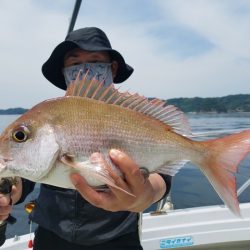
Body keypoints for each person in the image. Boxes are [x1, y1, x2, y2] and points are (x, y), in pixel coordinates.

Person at [0, 27, 172, 250]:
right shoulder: (44, 118)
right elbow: (27, 174)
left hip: (117, 238)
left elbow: (162, 173)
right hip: (52, 237)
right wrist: (8, 189)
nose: (84, 69)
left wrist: (147, 194)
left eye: (94, 60)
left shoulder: (133, 115)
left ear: (112, 68)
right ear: (64, 71)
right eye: (74, 63)